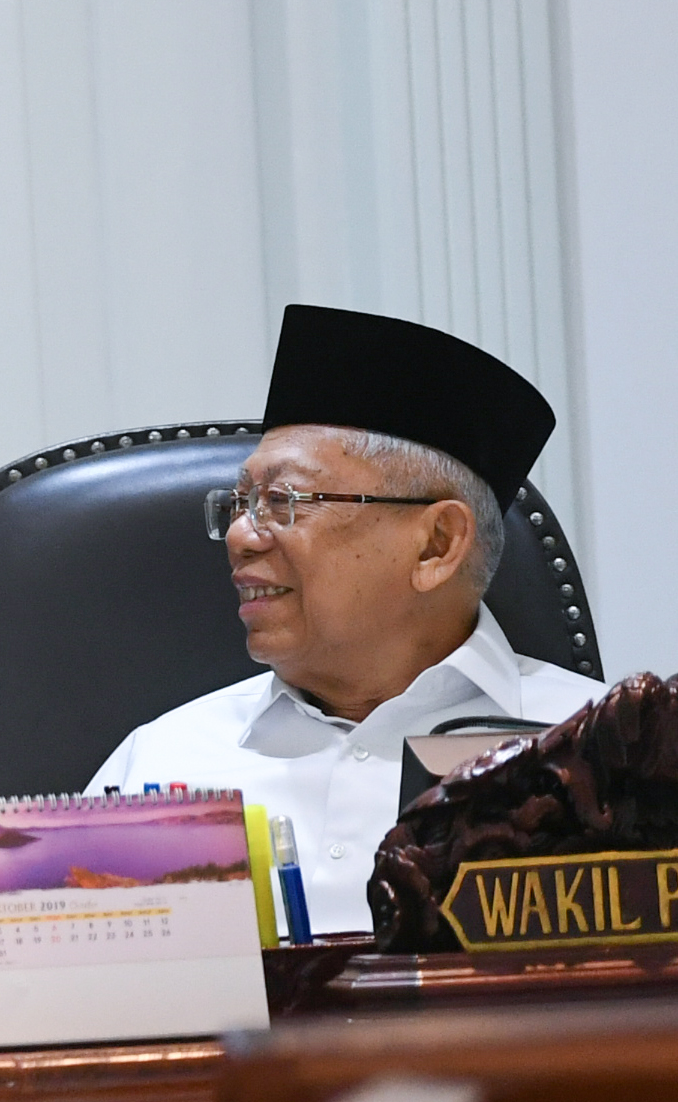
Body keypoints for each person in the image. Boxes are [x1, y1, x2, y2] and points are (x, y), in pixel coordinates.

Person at [86, 305, 606, 933]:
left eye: (283, 501)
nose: (240, 537)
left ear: (437, 544)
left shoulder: (605, 756)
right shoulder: (162, 768)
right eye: (241, 503)